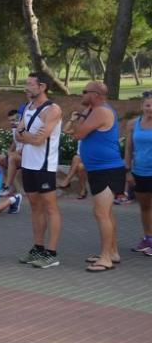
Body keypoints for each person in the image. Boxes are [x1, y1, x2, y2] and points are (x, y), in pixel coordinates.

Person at [65, 82, 125, 272]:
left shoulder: (100, 111)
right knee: (105, 213)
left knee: (101, 213)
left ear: (96, 95)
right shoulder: (94, 110)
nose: (81, 95)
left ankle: (106, 258)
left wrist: (78, 120)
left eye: (85, 92)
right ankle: (112, 252)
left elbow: (79, 134)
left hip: (106, 170)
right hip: (101, 169)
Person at [14, 72, 63, 269]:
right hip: (28, 164)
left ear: (42, 87)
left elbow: (39, 139)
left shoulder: (52, 110)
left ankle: (51, 252)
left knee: (50, 207)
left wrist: (27, 136)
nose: (27, 87)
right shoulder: (28, 107)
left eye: (30, 84)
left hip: (44, 166)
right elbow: (19, 135)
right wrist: (27, 136)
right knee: (35, 206)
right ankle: (38, 247)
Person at [125, 93, 152, 256]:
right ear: (142, 106)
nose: (151, 109)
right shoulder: (133, 124)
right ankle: (148, 238)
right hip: (139, 172)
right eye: (148, 105)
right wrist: (128, 170)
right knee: (145, 207)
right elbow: (128, 149)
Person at [0, 108, 25, 197]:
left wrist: (11, 154)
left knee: (12, 158)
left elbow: (27, 146)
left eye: (14, 120)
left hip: (27, 158)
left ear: (20, 118)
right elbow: (15, 142)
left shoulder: (24, 128)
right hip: (18, 155)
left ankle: (7, 187)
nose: (12, 122)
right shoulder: (14, 128)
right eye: (10, 120)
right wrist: (8, 151)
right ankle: (3, 184)